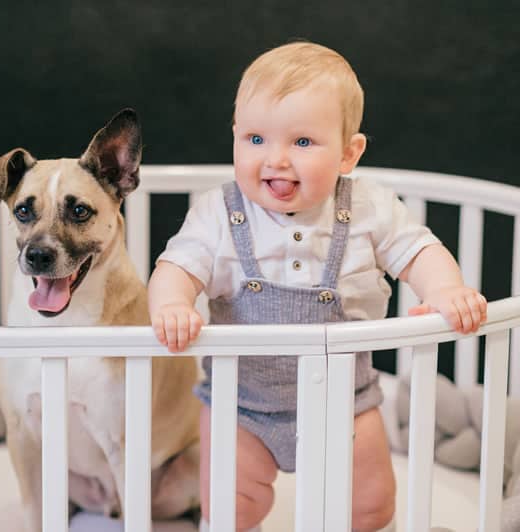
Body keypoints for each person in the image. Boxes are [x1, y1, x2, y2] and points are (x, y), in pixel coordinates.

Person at [147, 41, 487, 532]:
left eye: (302, 143)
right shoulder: (217, 213)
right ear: (236, 136)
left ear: (349, 153)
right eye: (256, 139)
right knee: (229, 507)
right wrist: (173, 304)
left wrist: (447, 289)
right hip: (241, 408)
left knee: (370, 505)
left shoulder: (370, 208)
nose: (276, 159)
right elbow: (177, 265)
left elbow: (418, 251)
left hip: (345, 404)